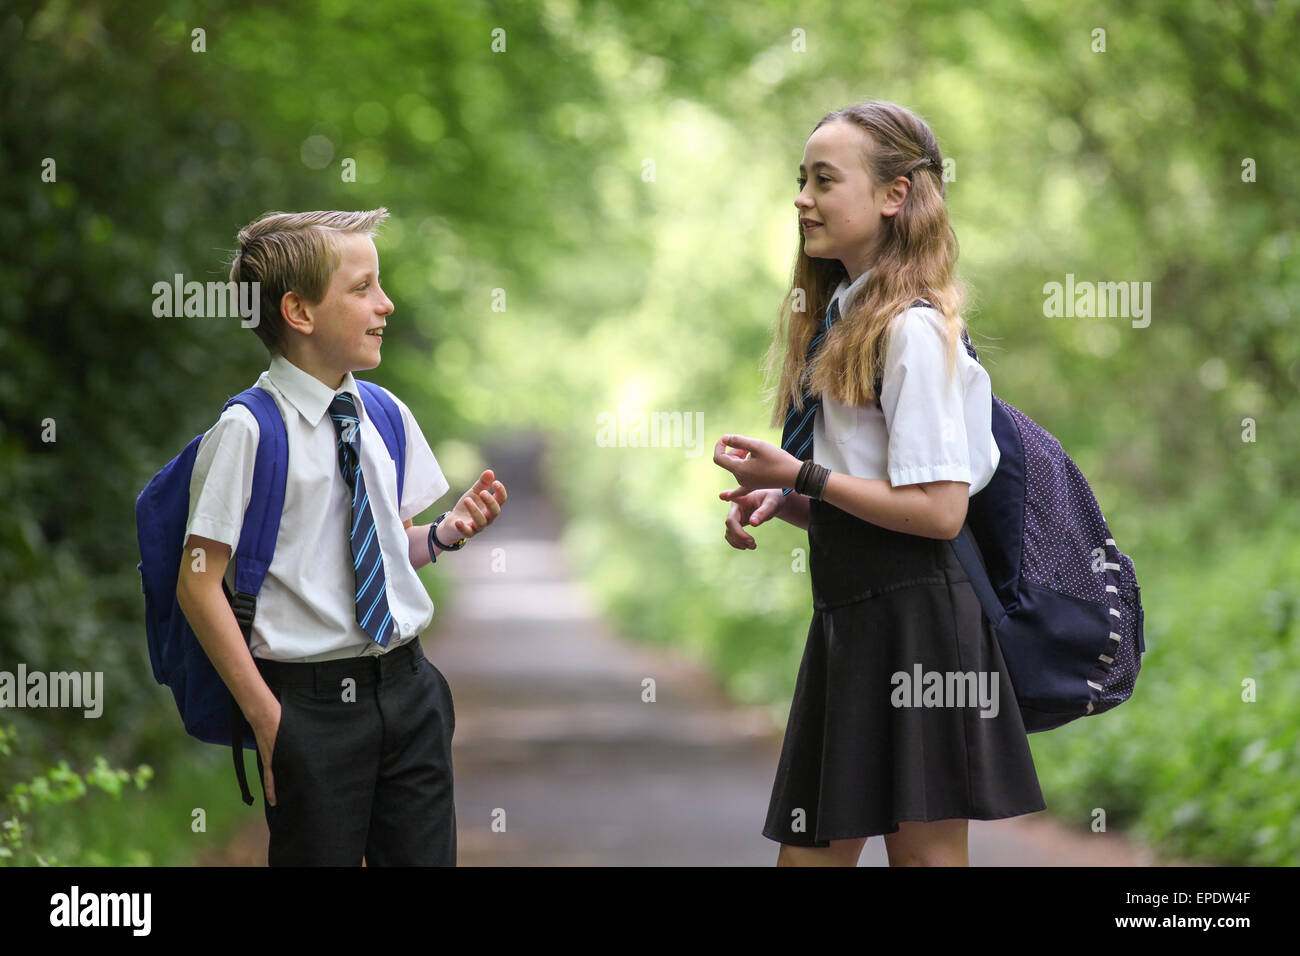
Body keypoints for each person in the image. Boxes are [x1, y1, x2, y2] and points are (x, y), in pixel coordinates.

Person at [713, 102, 1045, 867]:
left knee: (923, 859)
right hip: (851, 616)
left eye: (824, 180)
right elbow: (868, 492)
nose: (802, 198)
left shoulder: (912, 330)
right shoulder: (842, 315)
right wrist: (790, 499)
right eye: (801, 181)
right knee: (810, 858)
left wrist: (804, 473)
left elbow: (938, 511)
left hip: (920, 622)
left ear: (894, 196)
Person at [176, 208, 507, 866]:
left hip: (410, 691)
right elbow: (198, 581)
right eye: (362, 289)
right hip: (310, 706)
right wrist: (267, 719)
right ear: (298, 312)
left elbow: (390, 550)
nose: (385, 304)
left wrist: (443, 534)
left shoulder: (381, 413)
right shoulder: (248, 431)